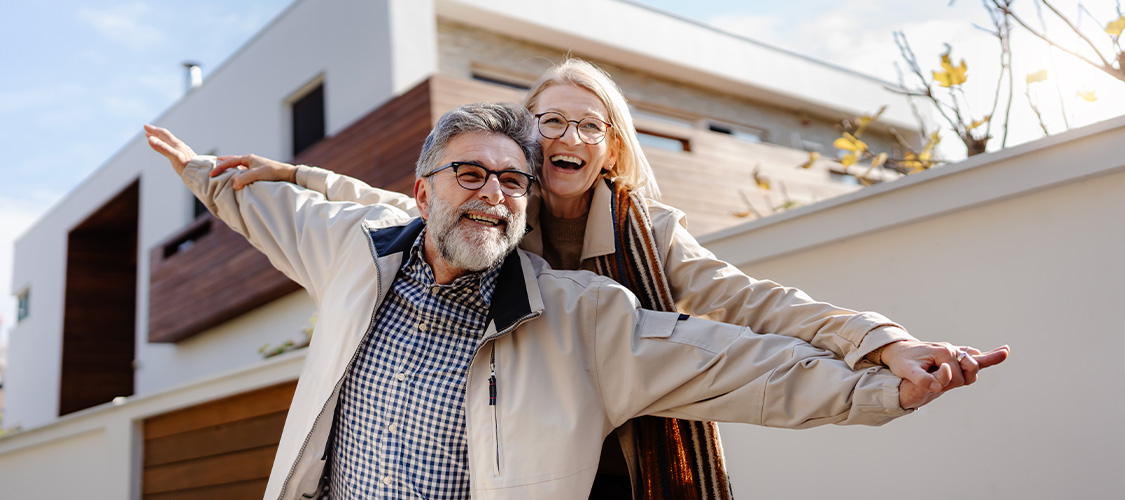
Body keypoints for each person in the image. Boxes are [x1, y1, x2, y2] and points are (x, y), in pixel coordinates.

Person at [210, 59, 1009, 499]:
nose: (566, 135)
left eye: (587, 124)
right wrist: (298, 175)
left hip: (622, 456)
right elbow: (403, 204)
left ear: (612, 149)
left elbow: (758, 309)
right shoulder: (492, 210)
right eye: (548, 121)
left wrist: (880, 345)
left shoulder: (651, 239)